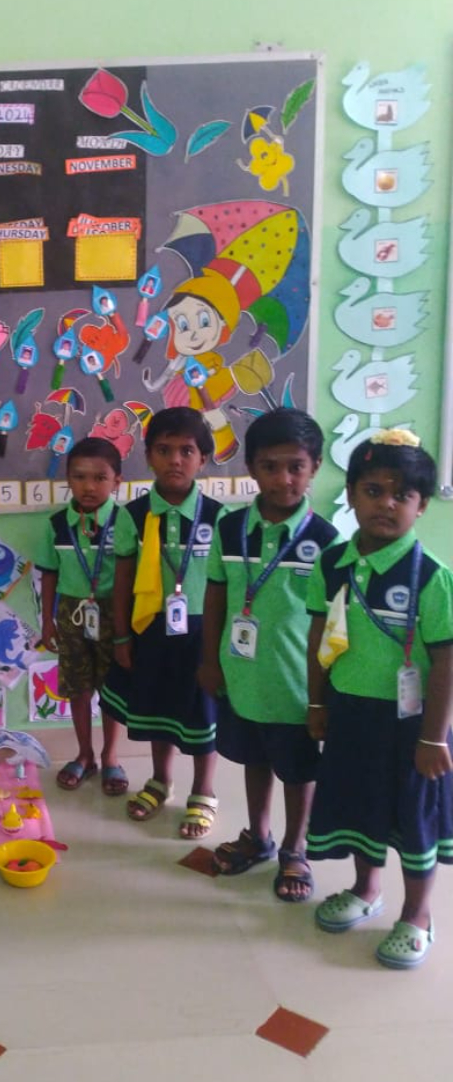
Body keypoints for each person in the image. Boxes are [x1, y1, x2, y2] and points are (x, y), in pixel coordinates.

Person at [306, 430, 453, 967]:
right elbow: (318, 636)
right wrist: (317, 703)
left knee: (413, 818)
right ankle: (366, 889)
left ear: (421, 505)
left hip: (412, 724)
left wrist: (433, 737)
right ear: (351, 494)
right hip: (350, 711)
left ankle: (417, 914)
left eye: (402, 495)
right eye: (373, 491)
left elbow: (446, 662)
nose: (386, 504)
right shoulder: (332, 564)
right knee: (361, 804)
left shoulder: (433, 577)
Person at [199, 408, 338, 901]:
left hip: (296, 684)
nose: (283, 479)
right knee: (253, 758)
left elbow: (333, 625)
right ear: (251, 468)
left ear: (315, 466)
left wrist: (323, 693)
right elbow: (215, 596)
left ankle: (295, 848)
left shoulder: (327, 541)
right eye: (270, 466)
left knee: (298, 771)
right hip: (241, 677)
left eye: (296, 466)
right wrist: (210, 660)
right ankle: (258, 836)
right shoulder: (231, 528)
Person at [100, 407, 222, 837]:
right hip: (149, 627)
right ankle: (160, 780)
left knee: (202, 713)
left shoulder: (220, 518)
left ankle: (203, 790)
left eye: (187, 451)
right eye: (164, 450)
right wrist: (121, 636)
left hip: (202, 633)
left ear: (202, 458)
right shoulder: (133, 515)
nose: (175, 460)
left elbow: (224, 586)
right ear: (148, 456)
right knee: (157, 707)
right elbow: (122, 579)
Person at [37, 437, 125, 794]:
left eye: (100, 478)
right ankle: (85, 754)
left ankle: (111, 756)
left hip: (115, 612)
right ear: (68, 480)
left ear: (117, 481)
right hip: (71, 613)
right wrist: (47, 620)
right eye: (79, 477)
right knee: (78, 687)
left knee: (113, 689)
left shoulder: (127, 522)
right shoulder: (57, 524)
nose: (89, 486)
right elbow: (49, 573)